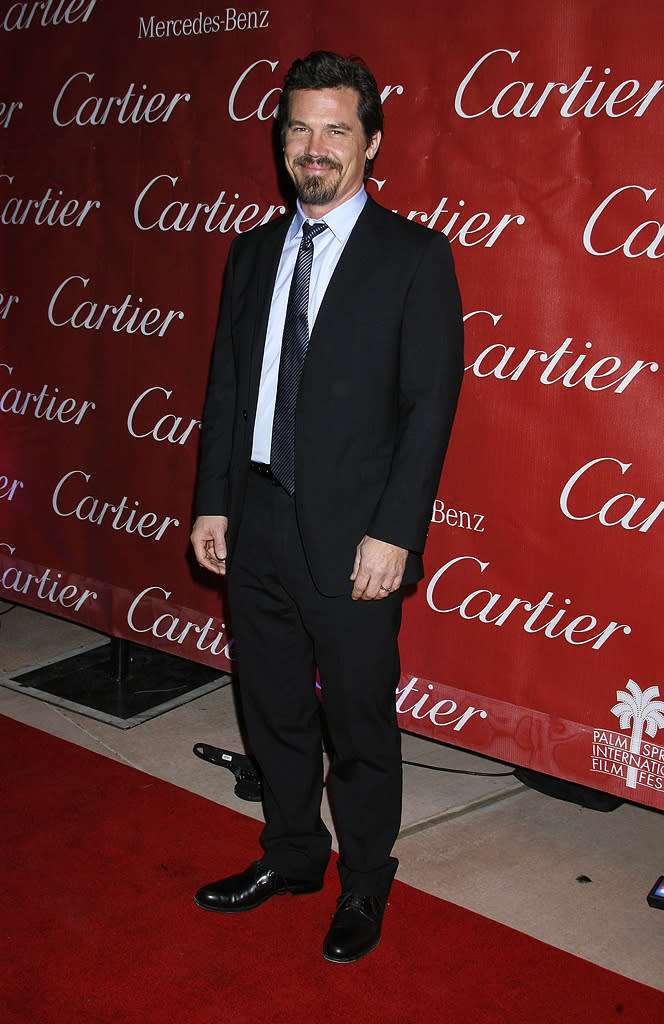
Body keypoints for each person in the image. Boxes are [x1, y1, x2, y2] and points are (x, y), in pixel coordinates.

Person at [190, 50, 463, 964]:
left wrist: (396, 531)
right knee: (270, 709)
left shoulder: (414, 257)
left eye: (335, 129)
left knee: (358, 722)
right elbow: (228, 386)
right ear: (281, 142)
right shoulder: (252, 251)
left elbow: (430, 407)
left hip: (355, 538)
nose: (314, 147)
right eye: (299, 128)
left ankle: (365, 883)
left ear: (371, 143)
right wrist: (213, 503)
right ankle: (293, 856)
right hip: (257, 517)